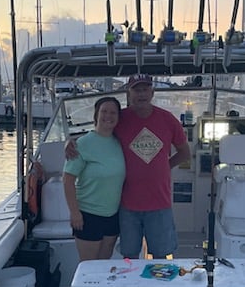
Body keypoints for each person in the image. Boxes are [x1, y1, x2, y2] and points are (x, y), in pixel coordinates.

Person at [66, 74, 191, 259]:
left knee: (163, 257)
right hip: (126, 206)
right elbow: (99, 134)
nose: (141, 94)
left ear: (152, 92)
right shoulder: (119, 118)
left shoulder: (168, 119)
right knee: (128, 257)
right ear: (128, 93)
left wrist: (164, 166)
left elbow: (185, 153)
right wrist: (69, 141)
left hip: (159, 203)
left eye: (145, 89)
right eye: (136, 89)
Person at [63, 96, 125, 261]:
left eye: (113, 113)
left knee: (104, 265)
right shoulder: (82, 144)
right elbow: (68, 179)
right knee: (88, 267)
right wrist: (74, 213)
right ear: (96, 115)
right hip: (88, 216)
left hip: (113, 216)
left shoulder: (120, 142)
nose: (108, 116)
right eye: (104, 111)